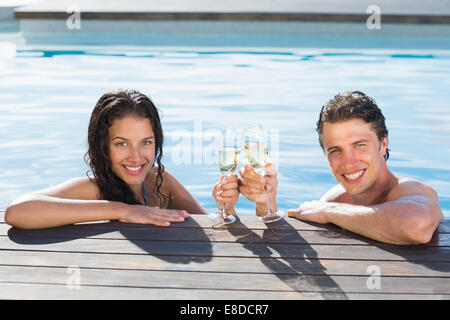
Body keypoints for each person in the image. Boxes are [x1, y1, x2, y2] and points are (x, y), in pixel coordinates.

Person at [237, 91, 443, 245]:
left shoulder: (411, 190)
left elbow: (415, 226)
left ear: (383, 144)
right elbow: (291, 244)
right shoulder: (337, 198)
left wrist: (328, 211)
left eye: (359, 145)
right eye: (336, 150)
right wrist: (266, 203)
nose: (348, 162)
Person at [5, 89, 208, 229]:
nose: (136, 157)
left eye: (146, 142)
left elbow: (209, 226)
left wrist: (227, 204)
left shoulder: (160, 182)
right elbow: (17, 212)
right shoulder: (92, 189)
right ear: (102, 145)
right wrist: (123, 211)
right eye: (122, 144)